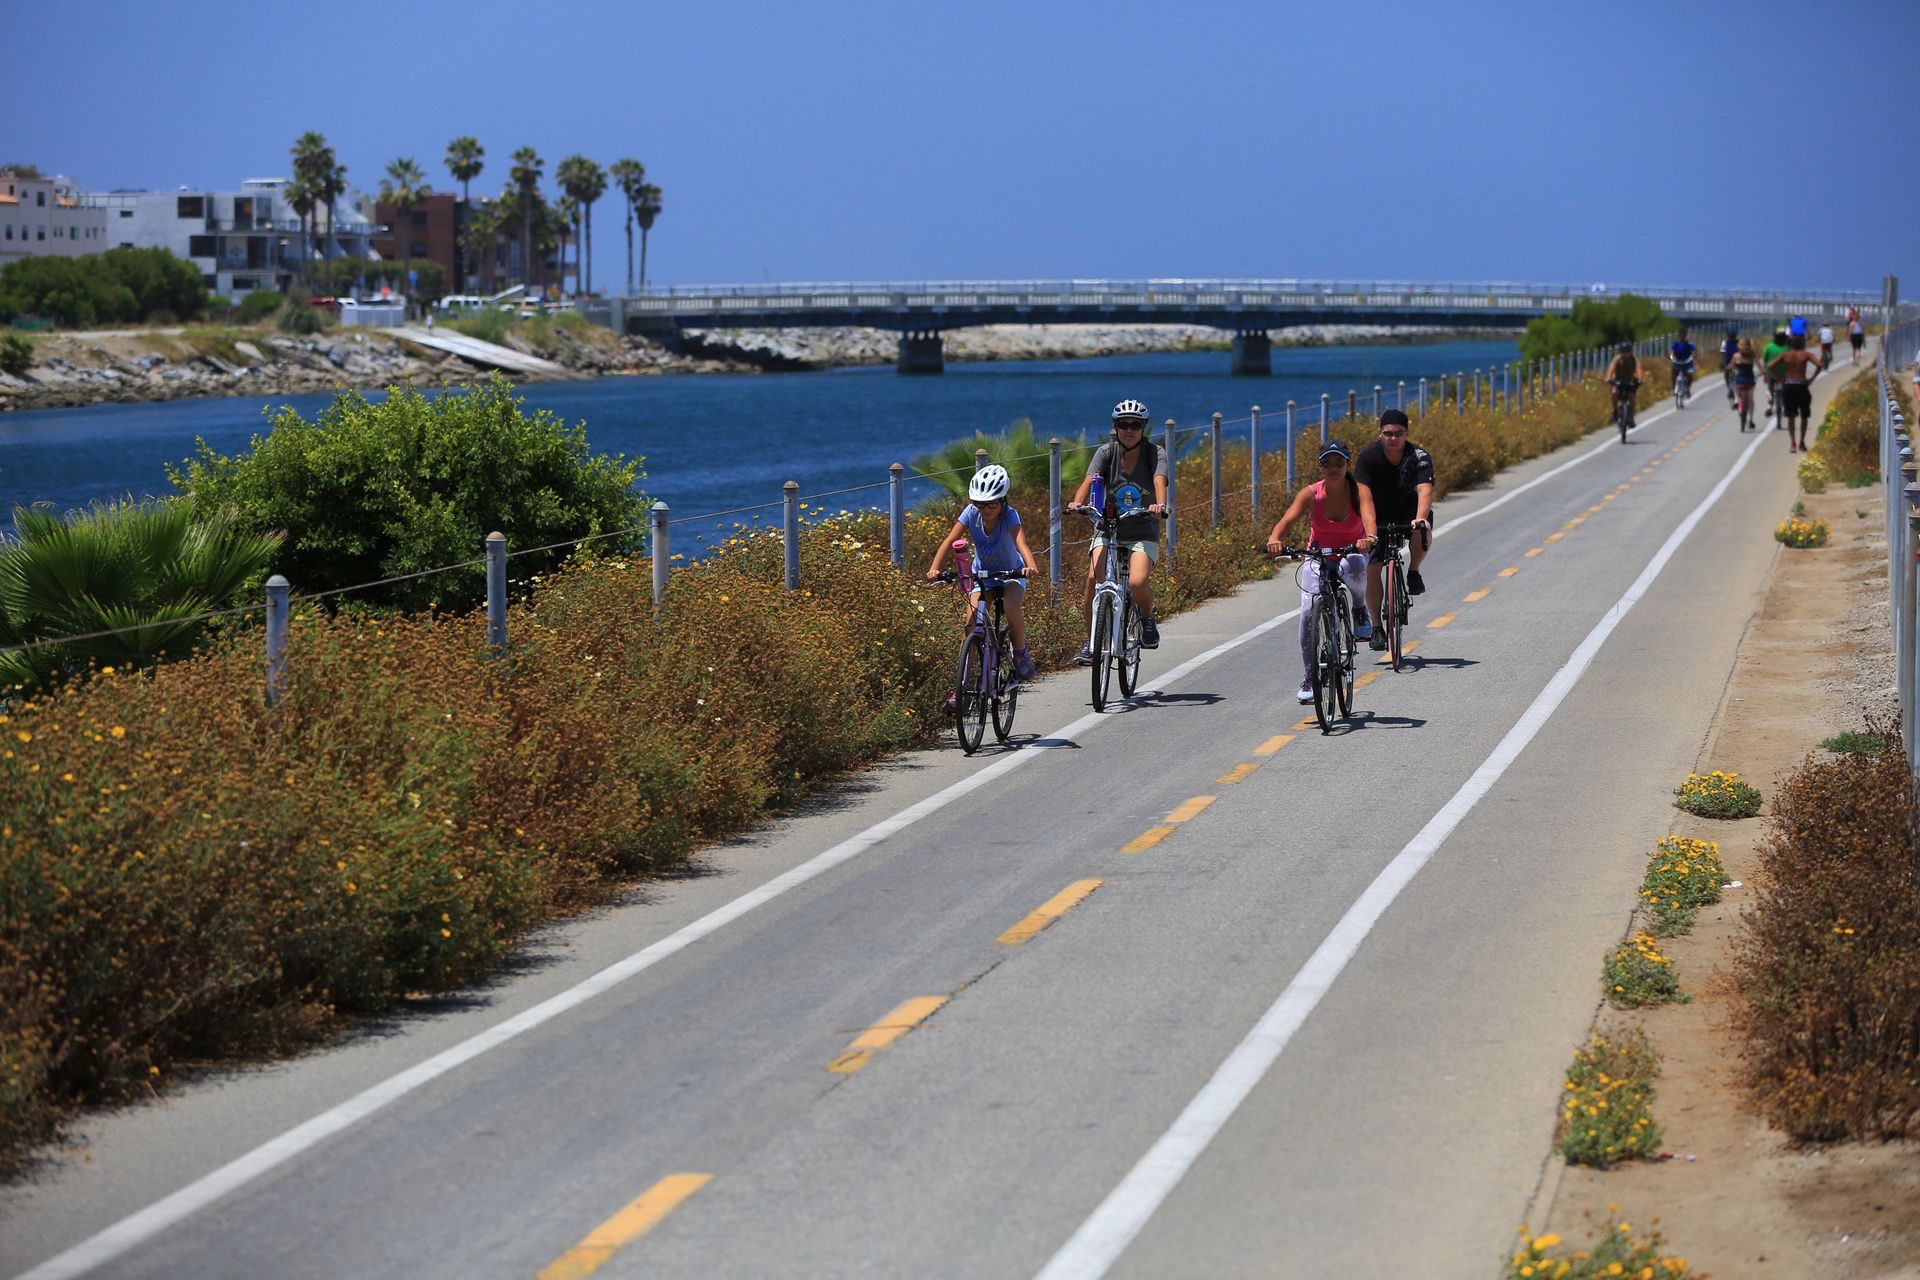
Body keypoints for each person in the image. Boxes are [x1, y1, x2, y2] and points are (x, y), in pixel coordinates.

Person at [1265, 440, 1376, 704]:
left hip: (1352, 550)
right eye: (1327, 463)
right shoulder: (1311, 494)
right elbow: (1287, 520)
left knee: (1357, 567)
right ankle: (1310, 676)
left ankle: (1359, 609)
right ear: (1320, 466)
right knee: (1306, 613)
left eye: (1339, 462)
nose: (1333, 468)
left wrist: (1369, 537)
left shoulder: (1359, 491)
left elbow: (1370, 518)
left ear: (1347, 464)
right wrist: (1275, 538)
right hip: (1319, 554)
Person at [1071, 399, 1169, 662]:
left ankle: (1147, 620)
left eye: (1135, 425)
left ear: (1143, 428)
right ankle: (1091, 642)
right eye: (1123, 424)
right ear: (1115, 427)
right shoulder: (1106, 452)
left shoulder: (1154, 453)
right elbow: (1090, 479)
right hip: (1109, 529)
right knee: (1094, 580)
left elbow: (1160, 480)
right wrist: (1078, 502)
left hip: (1142, 530)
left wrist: (1160, 504)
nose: (1129, 430)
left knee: (1137, 582)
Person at [926, 463, 1039, 681]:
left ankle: (1021, 652)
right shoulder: (970, 513)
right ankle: (961, 685)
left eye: (991, 504)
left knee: (1010, 606)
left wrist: (1030, 565)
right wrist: (934, 568)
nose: (985, 509)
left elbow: (1021, 543)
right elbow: (950, 540)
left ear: (1002, 500)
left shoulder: (1010, 515)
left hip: (1011, 574)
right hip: (982, 575)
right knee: (970, 625)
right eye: (980, 504)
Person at [1353, 408, 1435, 651]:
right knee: (1372, 567)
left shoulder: (1418, 455)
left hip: (1409, 511)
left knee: (1424, 528)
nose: (1393, 438)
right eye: (1388, 433)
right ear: (1380, 434)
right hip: (1376, 514)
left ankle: (1413, 571)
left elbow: (1425, 491)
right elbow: (1364, 499)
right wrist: (1369, 531)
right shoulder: (1368, 458)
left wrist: (1420, 518)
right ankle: (1377, 627)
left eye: (1398, 434)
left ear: (1406, 433)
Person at [1768, 334, 1822, 453]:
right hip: (1802, 385)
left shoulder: (1785, 355)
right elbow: (1819, 364)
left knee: (1790, 416)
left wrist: (1779, 379)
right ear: (1803, 344)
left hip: (1788, 385)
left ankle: (1793, 443)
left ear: (1791, 344)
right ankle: (1802, 442)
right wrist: (1812, 378)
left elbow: (1771, 365)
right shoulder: (1806, 354)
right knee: (1804, 416)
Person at [1603, 341, 1640, 433]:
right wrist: (1608, 378)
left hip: (1629, 381)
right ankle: (1615, 411)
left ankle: (1631, 418)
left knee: (1631, 397)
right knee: (1614, 393)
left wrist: (1641, 379)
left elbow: (1639, 370)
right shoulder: (1617, 359)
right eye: (1623, 351)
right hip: (1618, 381)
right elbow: (1611, 369)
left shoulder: (1633, 360)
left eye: (1627, 351)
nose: (1625, 353)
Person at [1761, 327, 1790, 425]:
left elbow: (1764, 360)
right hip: (1779, 375)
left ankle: (1770, 405)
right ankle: (1773, 406)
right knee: (1772, 390)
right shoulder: (1787, 346)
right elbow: (1764, 360)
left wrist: (1765, 372)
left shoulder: (1770, 346)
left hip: (1776, 374)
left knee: (1770, 390)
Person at [1731, 338, 1760, 432]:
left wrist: (1728, 369)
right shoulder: (1752, 356)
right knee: (1750, 400)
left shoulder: (1736, 356)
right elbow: (1760, 366)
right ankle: (1751, 419)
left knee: (1735, 386)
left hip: (1739, 380)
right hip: (1750, 380)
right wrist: (1763, 372)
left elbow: (1731, 366)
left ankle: (1736, 400)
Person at [1669, 329, 1697, 400]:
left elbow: (1694, 352)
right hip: (1677, 362)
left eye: (1683, 335)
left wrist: (1693, 356)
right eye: (1680, 335)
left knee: (1689, 374)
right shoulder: (1675, 344)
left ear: (1685, 335)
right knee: (1673, 371)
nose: (1682, 337)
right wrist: (1671, 356)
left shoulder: (1690, 344)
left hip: (1687, 363)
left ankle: (1687, 388)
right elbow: (1671, 351)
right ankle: (1674, 389)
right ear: (1678, 336)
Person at [1719, 328, 1740, 404]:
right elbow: (1722, 353)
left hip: (1737, 361)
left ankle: (1738, 389)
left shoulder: (1738, 342)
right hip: (1728, 362)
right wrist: (1722, 362)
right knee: (1726, 375)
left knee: (1739, 374)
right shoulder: (1724, 343)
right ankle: (1730, 389)